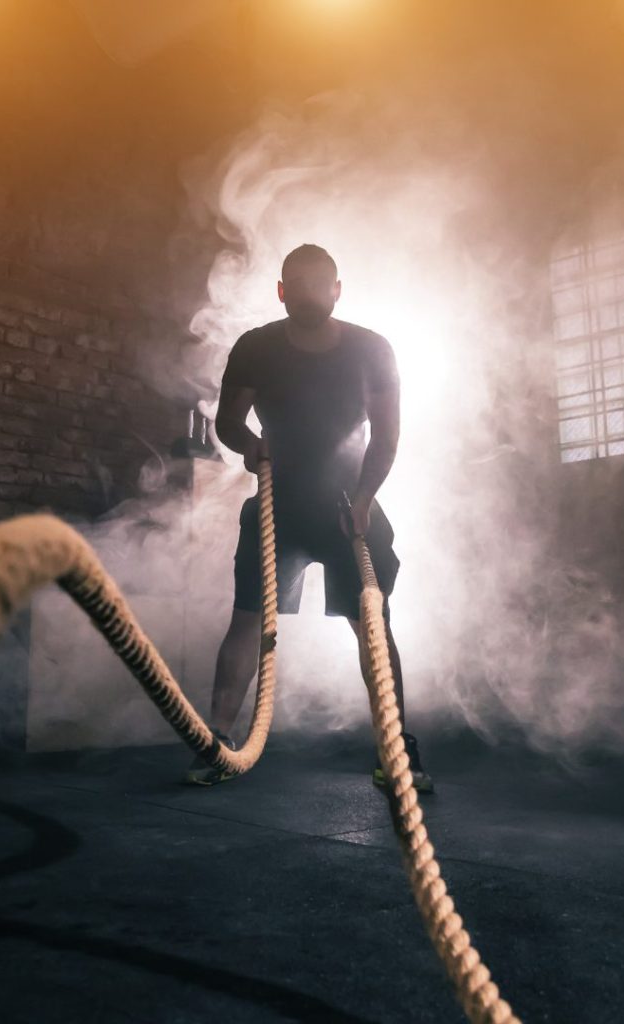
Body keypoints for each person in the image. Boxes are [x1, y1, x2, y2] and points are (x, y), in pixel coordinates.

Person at [183, 244, 433, 793]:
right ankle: (218, 740)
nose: (308, 292)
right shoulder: (257, 348)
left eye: (319, 283)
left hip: (350, 505)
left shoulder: (372, 349)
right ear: (281, 291)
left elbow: (387, 438)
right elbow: (228, 422)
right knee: (248, 620)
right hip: (279, 504)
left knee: (373, 625)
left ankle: (396, 750)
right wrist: (254, 450)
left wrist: (365, 499)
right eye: (296, 283)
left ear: (337, 289)